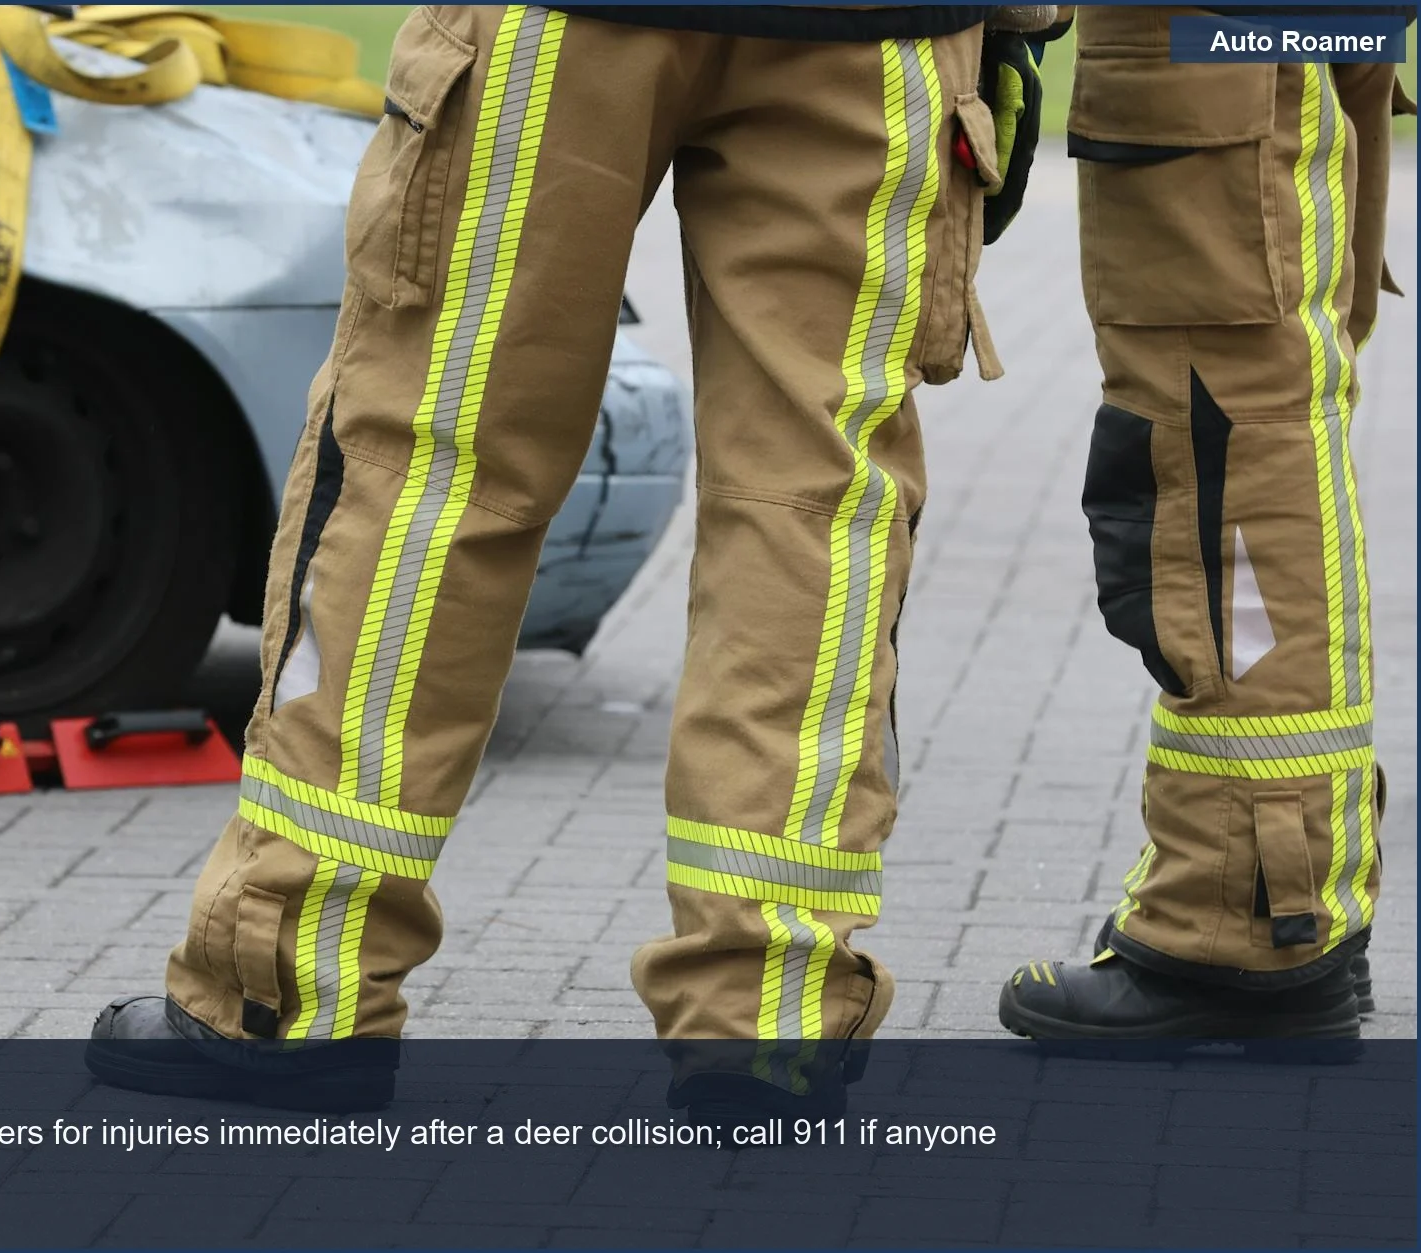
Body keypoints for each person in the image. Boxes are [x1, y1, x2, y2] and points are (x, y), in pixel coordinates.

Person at [87, 2, 1054, 1115]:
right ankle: (768, 1022)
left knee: (434, 472)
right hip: (873, 37)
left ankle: (290, 984)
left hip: (562, 30)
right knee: (812, 510)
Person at [999, 4, 1411, 1041]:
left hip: (1204, 53)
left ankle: (1241, 921)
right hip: (1243, 51)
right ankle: (1280, 899)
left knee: (1221, 452)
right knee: (1254, 434)